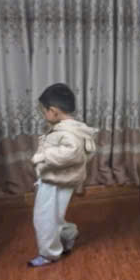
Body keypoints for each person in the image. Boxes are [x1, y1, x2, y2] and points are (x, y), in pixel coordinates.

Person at [29, 83, 96, 268]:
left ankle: (49, 254)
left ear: (53, 111)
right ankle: (68, 235)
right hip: (60, 179)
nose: (44, 115)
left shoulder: (67, 132)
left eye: (44, 111)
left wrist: (43, 156)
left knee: (44, 217)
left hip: (55, 180)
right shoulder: (74, 128)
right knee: (54, 215)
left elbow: (72, 153)